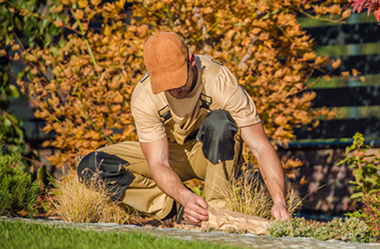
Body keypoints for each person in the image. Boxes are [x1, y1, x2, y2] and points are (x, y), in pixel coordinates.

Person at [77, 32, 289, 224]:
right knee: (92, 167)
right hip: (171, 156)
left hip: (210, 155)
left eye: (177, 79)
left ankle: (218, 213)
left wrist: (279, 201)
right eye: (165, 83)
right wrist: (184, 196)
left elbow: (260, 146)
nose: (174, 89)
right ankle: (175, 209)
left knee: (220, 122)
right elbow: (158, 162)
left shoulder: (219, 81)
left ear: (191, 60)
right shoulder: (144, 95)